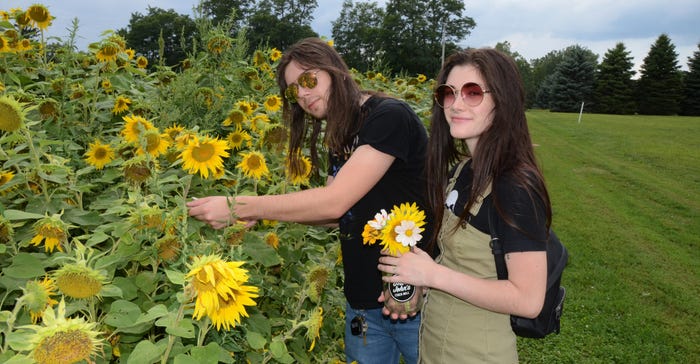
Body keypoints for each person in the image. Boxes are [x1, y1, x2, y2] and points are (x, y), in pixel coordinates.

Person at [187, 37, 432, 364]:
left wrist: (242, 205)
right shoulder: (342, 131)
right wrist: (266, 214)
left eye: (307, 79)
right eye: (292, 91)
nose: (301, 94)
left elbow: (334, 202)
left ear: (335, 71)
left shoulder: (388, 117)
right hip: (363, 300)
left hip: (414, 296)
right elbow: (336, 216)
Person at [377, 48, 551, 363]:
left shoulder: (514, 186)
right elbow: (463, 266)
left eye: (472, 93)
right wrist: (416, 283)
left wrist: (433, 276)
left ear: (503, 100)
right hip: (435, 347)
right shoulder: (462, 171)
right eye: (449, 92)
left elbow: (528, 299)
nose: (456, 104)